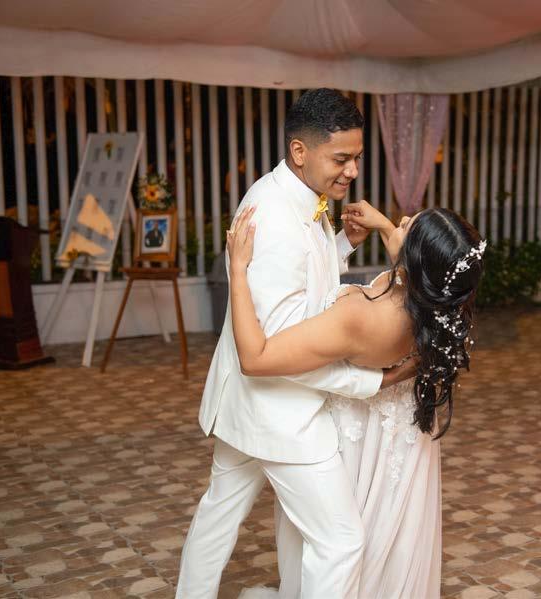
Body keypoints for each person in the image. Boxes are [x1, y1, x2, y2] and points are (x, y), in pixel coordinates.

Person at [175, 89, 413, 599]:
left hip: (245, 406)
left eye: (356, 158)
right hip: (283, 412)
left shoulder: (295, 194)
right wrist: (372, 381)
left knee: (221, 515)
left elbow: (302, 284)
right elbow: (281, 347)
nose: (352, 171)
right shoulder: (274, 217)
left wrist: (342, 244)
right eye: (341, 159)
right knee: (340, 541)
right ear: (300, 151)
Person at [227, 202, 483, 599]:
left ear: (414, 258)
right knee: (388, 529)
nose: (400, 221)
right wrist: (380, 225)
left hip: (358, 435)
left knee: (340, 539)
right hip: (400, 434)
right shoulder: (438, 299)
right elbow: (409, 254)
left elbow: (255, 359)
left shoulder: (361, 316)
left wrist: (238, 270)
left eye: (407, 226)